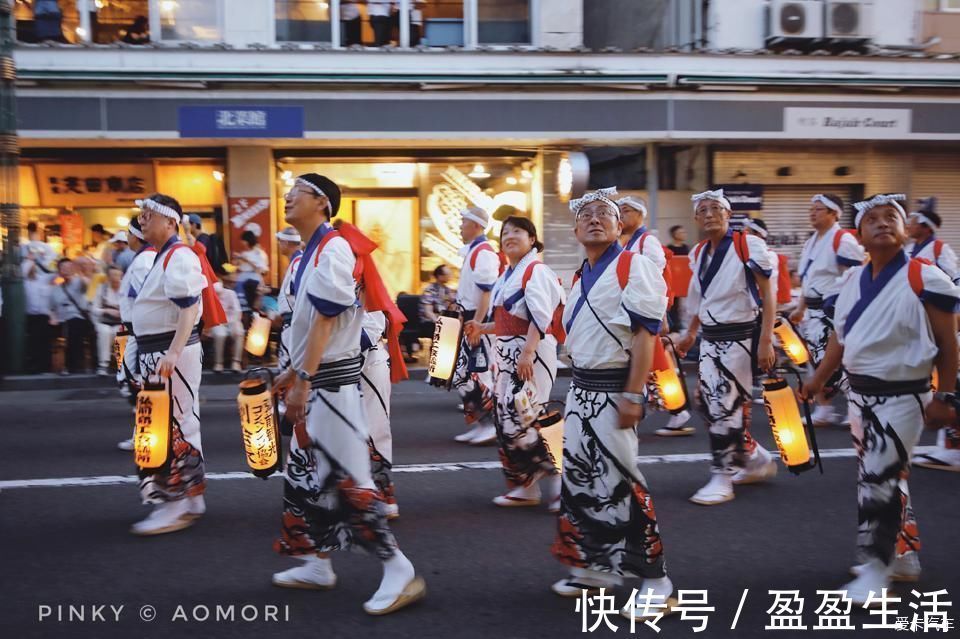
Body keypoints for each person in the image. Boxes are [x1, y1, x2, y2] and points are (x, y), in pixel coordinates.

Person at [271, 173, 424, 615]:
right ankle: (316, 562)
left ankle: (399, 569)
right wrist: (290, 373)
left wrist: (301, 378)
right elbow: (307, 325)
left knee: (349, 480)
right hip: (315, 380)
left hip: (331, 385)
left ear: (321, 202)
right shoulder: (309, 253)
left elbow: (326, 320)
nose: (287, 199)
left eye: (294, 193)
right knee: (304, 475)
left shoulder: (334, 247)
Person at [800, 193, 958, 602]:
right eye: (873, 219)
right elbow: (840, 337)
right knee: (886, 477)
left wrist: (947, 395)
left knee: (877, 480)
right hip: (861, 395)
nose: (883, 223)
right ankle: (903, 555)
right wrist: (818, 378)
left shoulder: (926, 276)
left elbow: (948, 342)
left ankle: (876, 566)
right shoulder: (852, 280)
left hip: (905, 395)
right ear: (860, 235)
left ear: (905, 231)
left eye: (892, 218)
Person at [551, 188, 676, 621]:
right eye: (586, 214)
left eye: (605, 213)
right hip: (581, 390)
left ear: (621, 224)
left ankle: (657, 581)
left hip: (613, 389)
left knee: (622, 482)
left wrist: (634, 392)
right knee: (582, 482)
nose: (595, 219)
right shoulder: (578, 274)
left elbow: (646, 334)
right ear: (574, 229)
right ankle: (596, 565)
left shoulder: (633, 266)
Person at [676, 189, 778, 506]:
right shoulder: (699, 253)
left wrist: (765, 340)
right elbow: (699, 298)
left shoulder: (748, 245)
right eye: (703, 209)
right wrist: (690, 332)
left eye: (716, 208)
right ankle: (753, 456)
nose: (709, 214)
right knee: (706, 404)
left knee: (725, 406)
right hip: (710, 338)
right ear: (695, 218)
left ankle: (722, 476)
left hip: (740, 337)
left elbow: (768, 293)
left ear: (728, 214)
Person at [464, 216, 564, 510]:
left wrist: (528, 353)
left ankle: (563, 484)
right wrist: (483, 328)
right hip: (510, 357)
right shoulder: (508, 274)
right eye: (505, 233)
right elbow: (509, 321)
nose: (509, 236)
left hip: (528, 356)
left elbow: (540, 317)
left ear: (532, 239)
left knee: (533, 417)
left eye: (517, 231)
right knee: (510, 422)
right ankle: (526, 486)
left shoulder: (536, 270)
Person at [129, 193, 208, 536]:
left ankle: (174, 502)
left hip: (168, 352)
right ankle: (189, 498)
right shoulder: (166, 255)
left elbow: (188, 308)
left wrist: (173, 352)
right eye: (142, 215)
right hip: (160, 351)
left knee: (169, 427)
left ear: (170, 222)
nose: (142, 219)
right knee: (176, 423)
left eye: (149, 214)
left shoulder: (179, 255)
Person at [618, 195, 693, 437]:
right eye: (620, 210)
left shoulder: (646, 241)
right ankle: (659, 406)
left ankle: (677, 409)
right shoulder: (629, 243)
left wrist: (660, 314)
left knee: (657, 364)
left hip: (646, 312)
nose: (621, 214)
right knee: (649, 364)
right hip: (634, 311)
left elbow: (658, 277)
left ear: (640, 214)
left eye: (627, 210)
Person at [789, 194, 866, 427]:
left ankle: (860, 409)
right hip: (812, 313)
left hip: (832, 312)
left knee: (832, 363)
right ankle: (824, 409)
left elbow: (856, 277)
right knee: (814, 362)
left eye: (819, 209)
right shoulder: (811, 240)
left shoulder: (843, 240)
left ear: (834, 214)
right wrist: (800, 308)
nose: (813, 213)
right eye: (811, 209)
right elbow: (809, 278)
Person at [907, 198, 960, 472]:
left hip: (941, 322)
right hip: (920, 324)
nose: (909, 224)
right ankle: (947, 443)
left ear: (926, 227)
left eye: (914, 221)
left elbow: (955, 285)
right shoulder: (909, 249)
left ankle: (953, 448)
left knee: (951, 382)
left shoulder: (940, 249)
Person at [451, 206, 500, 445]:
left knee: (478, 374)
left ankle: (490, 425)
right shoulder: (474, 251)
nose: (460, 226)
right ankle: (481, 422)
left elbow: (486, 291)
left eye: (464, 222)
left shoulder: (484, 252)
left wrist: (478, 324)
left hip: (475, 319)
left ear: (477, 226)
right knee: (463, 374)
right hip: (468, 317)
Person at [116, 216, 156, 451]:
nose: (127, 237)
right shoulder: (144, 258)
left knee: (134, 383)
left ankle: (148, 434)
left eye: (128, 233)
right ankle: (146, 432)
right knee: (134, 382)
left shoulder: (143, 261)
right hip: (139, 331)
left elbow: (146, 299)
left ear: (136, 236)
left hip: (141, 332)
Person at [361, 310, 400, 519]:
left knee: (375, 429)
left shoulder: (361, 276)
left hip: (366, 357)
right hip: (333, 358)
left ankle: (381, 493)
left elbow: (374, 320)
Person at [49, 258, 93, 375]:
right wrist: (52, 316)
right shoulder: (56, 289)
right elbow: (52, 307)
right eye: (63, 268)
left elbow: (88, 284)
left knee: (74, 325)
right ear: (59, 271)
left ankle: (71, 366)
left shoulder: (79, 282)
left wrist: (80, 272)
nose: (66, 270)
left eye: (69, 267)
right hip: (61, 319)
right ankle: (53, 365)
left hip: (78, 317)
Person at [22, 229, 56, 374]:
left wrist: (40, 258)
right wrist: (29, 259)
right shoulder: (24, 282)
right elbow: (23, 271)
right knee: (32, 342)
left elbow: (54, 270)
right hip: (29, 315)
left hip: (44, 315)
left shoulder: (45, 279)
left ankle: (46, 366)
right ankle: (33, 365)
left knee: (45, 342)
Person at [209, 277, 244, 373]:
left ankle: (236, 362)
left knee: (239, 332)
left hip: (232, 321)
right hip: (217, 322)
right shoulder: (209, 296)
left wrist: (232, 322)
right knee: (220, 335)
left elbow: (237, 311)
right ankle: (218, 363)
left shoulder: (230, 294)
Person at [93, 265, 123, 376]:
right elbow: (94, 309)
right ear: (108, 277)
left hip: (120, 321)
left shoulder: (125, 289)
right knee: (105, 332)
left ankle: (121, 364)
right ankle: (103, 365)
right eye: (112, 275)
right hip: (104, 320)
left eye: (117, 275)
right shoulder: (101, 288)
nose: (115, 278)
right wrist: (106, 311)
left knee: (119, 333)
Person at [233, 229, 269, 312]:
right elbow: (239, 266)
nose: (242, 243)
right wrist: (236, 261)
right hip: (243, 276)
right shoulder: (244, 253)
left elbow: (260, 270)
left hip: (254, 278)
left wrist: (245, 260)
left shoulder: (259, 253)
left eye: (243, 240)